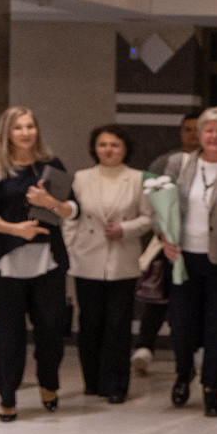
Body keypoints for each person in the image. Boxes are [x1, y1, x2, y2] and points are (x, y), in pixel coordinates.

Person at [0, 106, 78, 423]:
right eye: (18, 127)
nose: (25, 133)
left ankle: (49, 383)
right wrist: (15, 229)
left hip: (47, 261)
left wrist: (50, 203)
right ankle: (7, 397)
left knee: (50, 329)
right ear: (7, 133)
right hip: (6, 262)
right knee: (9, 335)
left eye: (30, 126)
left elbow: (73, 209)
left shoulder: (51, 165)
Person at [157, 107, 217, 416]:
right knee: (181, 324)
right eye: (209, 130)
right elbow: (160, 206)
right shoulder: (178, 163)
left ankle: (212, 389)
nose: (215, 136)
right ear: (199, 134)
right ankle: (184, 371)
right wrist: (164, 236)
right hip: (182, 257)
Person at [68, 125, 154, 404]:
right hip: (87, 258)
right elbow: (70, 218)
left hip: (122, 260)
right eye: (103, 144)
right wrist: (71, 248)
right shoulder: (81, 178)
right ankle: (92, 381)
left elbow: (148, 218)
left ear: (125, 149)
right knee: (90, 322)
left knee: (118, 324)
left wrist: (125, 229)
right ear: (94, 148)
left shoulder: (138, 179)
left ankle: (117, 383)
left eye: (114, 145)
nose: (108, 150)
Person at [132, 113, 202, 376]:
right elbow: (151, 199)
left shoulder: (213, 163)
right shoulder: (165, 162)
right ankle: (144, 346)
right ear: (180, 132)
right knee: (157, 294)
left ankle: (193, 350)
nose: (193, 134)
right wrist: (164, 231)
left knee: (190, 301)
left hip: (198, 242)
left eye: (198, 129)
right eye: (188, 129)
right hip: (166, 240)